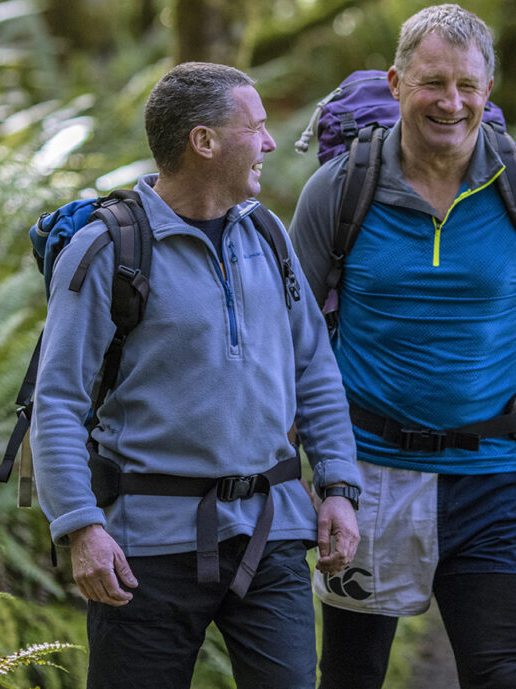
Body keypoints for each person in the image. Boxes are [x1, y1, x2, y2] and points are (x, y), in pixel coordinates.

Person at [289, 5, 516, 689]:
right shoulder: (340, 189)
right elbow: (286, 334)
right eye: (433, 82)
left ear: (488, 90)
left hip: (493, 479)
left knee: (501, 675)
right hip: (365, 477)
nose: (451, 101)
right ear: (397, 81)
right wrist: (295, 471)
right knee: (351, 676)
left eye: (468, 84)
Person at [31, 61, 362, 689]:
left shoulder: (267, 235)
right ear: (204, 141)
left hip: (273, 532)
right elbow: (57, 401)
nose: (269, 143)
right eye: (255, 128)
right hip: (142, 549)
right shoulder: (107, 250)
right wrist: (80, 525)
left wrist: (340, 486)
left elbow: (314, 367)